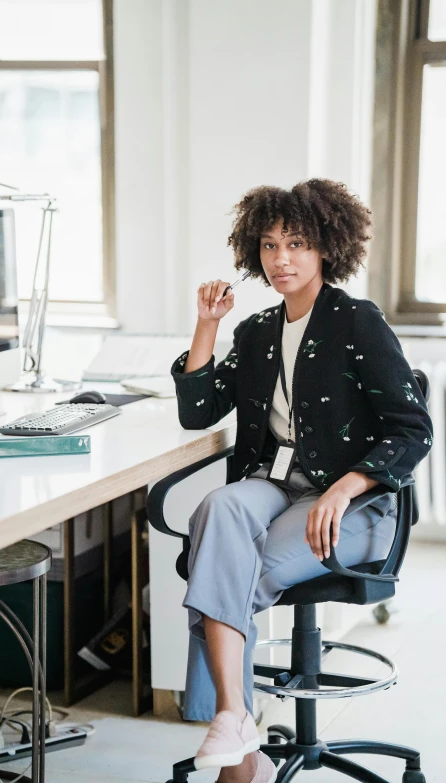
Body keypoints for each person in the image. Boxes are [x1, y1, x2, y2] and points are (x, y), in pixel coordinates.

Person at [170, 179, 433, 783]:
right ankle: (236, 718)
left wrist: (346, 486)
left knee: (225, 564)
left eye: (296, 244)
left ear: (326, 249)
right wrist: (207, 325)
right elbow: (198, 410)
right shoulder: (258, 332)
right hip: (278, 484)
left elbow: (413, 429)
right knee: (219, 512)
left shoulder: (356, 323)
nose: (280, 259)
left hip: (356, 509)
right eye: (268, 245)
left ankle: (237, 757)